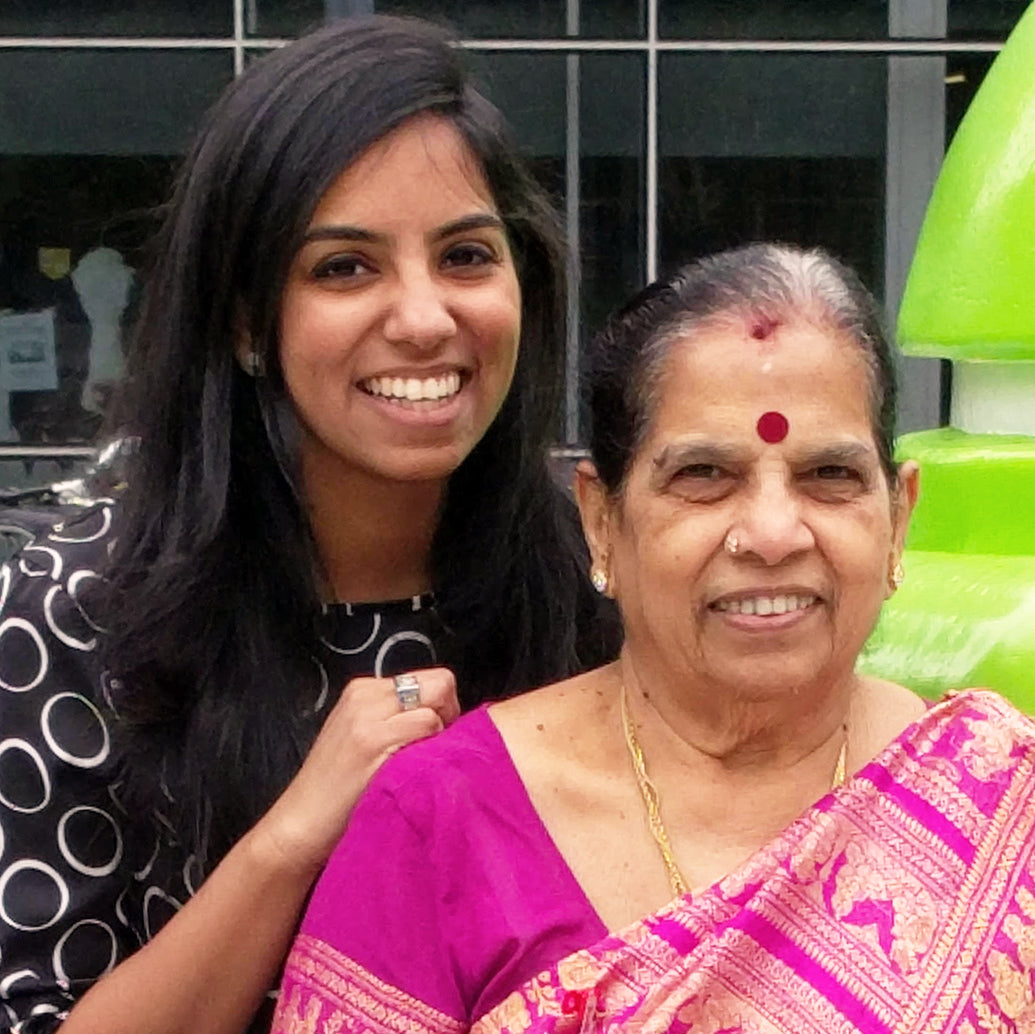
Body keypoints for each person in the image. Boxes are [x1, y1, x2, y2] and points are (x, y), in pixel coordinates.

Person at [0, 15, 618, 1034]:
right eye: (345, 267)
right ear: (247, 317)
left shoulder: (601, 589)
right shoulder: (76, 615)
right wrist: (299, 833)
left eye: (466, 255)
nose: (424, 318)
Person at [273, 242, 1035, 1033]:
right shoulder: (442, 821)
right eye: (703, 476)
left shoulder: (1001, 804)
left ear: (897, 518)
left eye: (828, 476)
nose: (772, 534)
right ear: (602, 520)